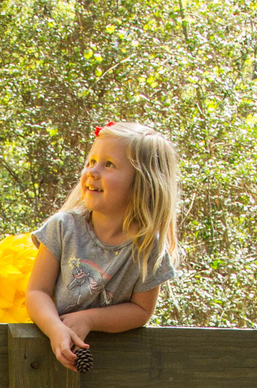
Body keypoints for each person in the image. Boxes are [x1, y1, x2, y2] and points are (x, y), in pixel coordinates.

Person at [26, 121, 180, 371]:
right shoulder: (63, 227)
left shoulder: (148, 248)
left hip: (115, 366)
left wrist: (89, 319)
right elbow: (37, 292)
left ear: (143, 183)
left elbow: (141, 310)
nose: (93, 171)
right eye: (91, 161)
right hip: (42, 354)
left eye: (108, 164)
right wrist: (55, 329)